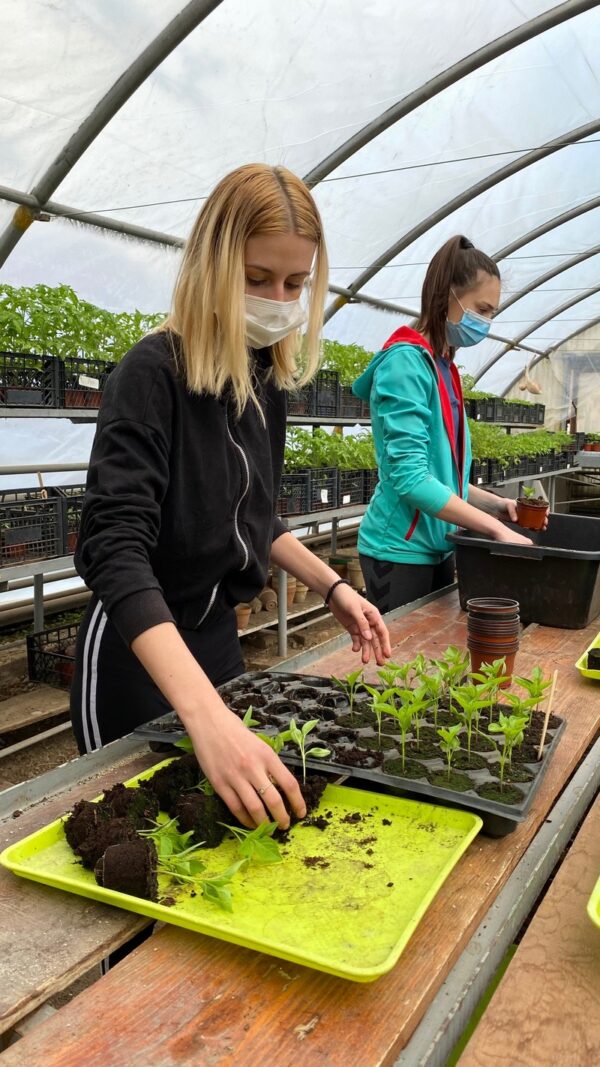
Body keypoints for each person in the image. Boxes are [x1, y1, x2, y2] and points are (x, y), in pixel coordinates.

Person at [70, 163, 391, 831]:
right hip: (138, 654)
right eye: (256, 278)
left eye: (295, 283)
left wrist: (334, 588)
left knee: (223, 831)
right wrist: (205, 713)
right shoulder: (151, 375)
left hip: (217, 640)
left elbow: (252, 513)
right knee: (140, 843)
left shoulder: (263, 379)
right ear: (213, 264)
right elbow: (113, 546)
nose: (278, 297)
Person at [352, 234, 534, 615]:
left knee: (432, 662)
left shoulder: (444, 367)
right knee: (400, 668)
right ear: (447, 296)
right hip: (398, 551)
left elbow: (444, 478)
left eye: (492, 314)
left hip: (437, 546)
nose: (484, 323)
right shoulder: (405, 363)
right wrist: (493, 530)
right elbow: (411, 478)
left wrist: (498, 506)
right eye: (481, 309)